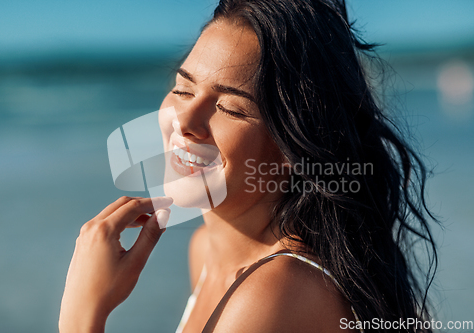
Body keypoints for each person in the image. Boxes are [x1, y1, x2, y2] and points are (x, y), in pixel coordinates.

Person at [59, 0, 439, 332]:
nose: (185, 121)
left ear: (294, 147)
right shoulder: (206, 250)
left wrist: (81, 316)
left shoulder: (276, 293)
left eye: (230, 108)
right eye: (182, 89)